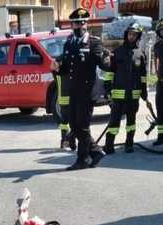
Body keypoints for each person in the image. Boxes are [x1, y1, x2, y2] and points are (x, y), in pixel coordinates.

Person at [51, 8, 108, 170]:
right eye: (75, 24)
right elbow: (66, 68)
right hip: (74, 91)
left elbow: (102, 64)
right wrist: (56, 68)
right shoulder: (70, 42)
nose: (78, 27)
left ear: (86, 25)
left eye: (81, 24)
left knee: (81, 126)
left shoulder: (94, 42)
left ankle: (86, 157)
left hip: (87, 92)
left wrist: (109, 61)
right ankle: (92, 153)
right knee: (76, 125)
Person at [103, 23, 148, 154]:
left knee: (131, 122)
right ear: (126, 35)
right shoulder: (117, 52)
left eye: (134, 34)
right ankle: (109, 145)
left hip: (133, 95)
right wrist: (107, 87)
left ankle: (129, 144)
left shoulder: (141, 54)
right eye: (129, 34)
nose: (131, 36)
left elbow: (143, 76)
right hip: (118, 95)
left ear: (138, 36)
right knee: (114, 122)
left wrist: (144, 91)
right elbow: (110, 72)